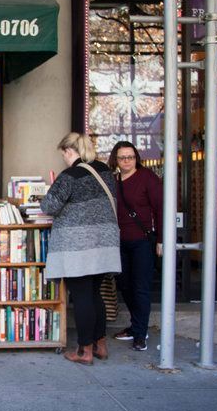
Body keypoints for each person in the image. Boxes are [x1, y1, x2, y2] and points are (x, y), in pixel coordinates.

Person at [39, 133, 121, 366]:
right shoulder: (104, 171)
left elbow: (49, 205)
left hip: (79, 244)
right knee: (95, 293)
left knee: (82, 295)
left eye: (63, 154)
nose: (63, 158)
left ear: (69, 151)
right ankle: (100, 345)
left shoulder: (70, 175)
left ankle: (84, 350)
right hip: (104, 240)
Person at [107, 141, 163, 352]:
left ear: (136, 157)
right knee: (125, 285)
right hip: (119, 242)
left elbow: (161, 209)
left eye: (130, 157)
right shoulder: (113, 180)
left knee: (141, 288)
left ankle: (140, 334)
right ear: (116, 159)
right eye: (122, 158)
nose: (127, 161)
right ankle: (136, 325)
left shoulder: (147, 178)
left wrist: (161, 240)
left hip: (142, 241)